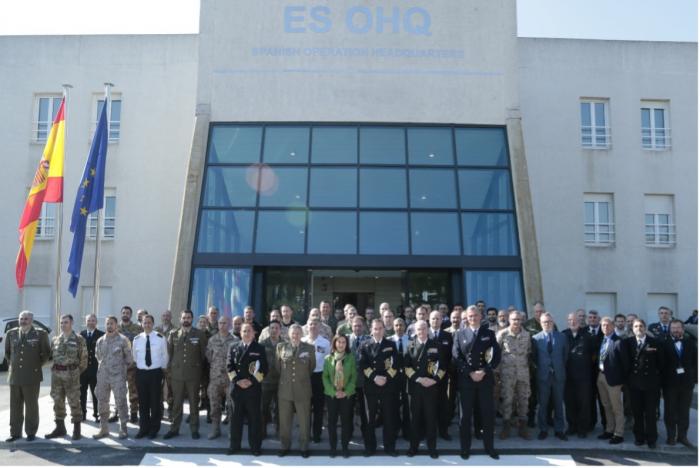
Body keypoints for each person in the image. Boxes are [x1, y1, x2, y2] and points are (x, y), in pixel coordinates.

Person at [452, 305, 501, 460]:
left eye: (475, 315)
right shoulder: (460, 334)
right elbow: (456, 357)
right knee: (465, 417)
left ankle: (489, 447)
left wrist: (484, 371)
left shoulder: (489, 334)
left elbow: (496, 356)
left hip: (484, 380)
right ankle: (465, 448)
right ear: (466, 318)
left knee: (487, 415)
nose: (472, 318)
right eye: (470, 316)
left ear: (480, 316)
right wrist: (470, 373)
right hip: (467, 381)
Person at [5, 310, 50, 442]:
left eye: (26, 319)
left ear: (31, 320)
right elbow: (8, 353)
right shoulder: (11, 333)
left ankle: (31, 432)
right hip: (15, 377)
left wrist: (35, 366)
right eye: (21, 318)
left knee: (31, 406)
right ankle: (15, 433)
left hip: (32, 376)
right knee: (15, 406)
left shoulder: (40, 334)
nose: (23, 321)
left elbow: (46, 354)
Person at [164, 309, 208, 440]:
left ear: (192, 319)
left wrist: (200, 373)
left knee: (194, 404)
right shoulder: (173, 334)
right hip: (177, 375)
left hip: (193, 375)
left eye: (188, 318)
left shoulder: (199, 334)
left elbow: (203, 355)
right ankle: (174, 429)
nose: (186, 320)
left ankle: (194, 429)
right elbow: (170, 354)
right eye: (184, 318)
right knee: (176, 404)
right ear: (180, 319)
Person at [359, 319, 400, 457]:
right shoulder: (365, 345)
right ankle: (370, 447)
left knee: (389, 418)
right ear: (371, 330)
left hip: (387, 386)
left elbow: (395, 364)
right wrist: (374, 378)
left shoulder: (391, 344)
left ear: (384, 329)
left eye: (380, 328)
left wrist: (386, 378)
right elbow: (363, 364)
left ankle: (390, 447)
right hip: (371, 387)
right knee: (370, 419)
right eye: (375, 328)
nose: (377, 331)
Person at [404, 320, 445, 458]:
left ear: (428, 329)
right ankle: (413, 447)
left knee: (430, 419)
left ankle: (432, 448)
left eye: (424, 328)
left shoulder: (436, 345)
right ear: (415, 331)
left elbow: (443, 367)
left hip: (431, 388)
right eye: (419, 329)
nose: (421, 331)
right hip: (415, 388)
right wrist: (419, 379)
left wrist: (434, 380)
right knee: (414, 419)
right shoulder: (410, 345)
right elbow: (406, 367)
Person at [45, 314, 88, 440]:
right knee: (57, 401)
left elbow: (84, 360)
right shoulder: (55, 339)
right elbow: (51, 357)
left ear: (72, 323)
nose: (63, 325)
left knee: (74, 401)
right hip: (57, 375)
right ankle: (60, 428)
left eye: (66, 322)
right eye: (61, 322)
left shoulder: (79, 339)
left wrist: (75, 372)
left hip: (71, 375)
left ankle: (77, 429)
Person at [227, 323, 267, 456]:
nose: (246, 333)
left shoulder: (259, 348)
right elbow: (229, 367)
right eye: (244, 331)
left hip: (253, 389)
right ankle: (234, 445)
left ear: (254, 333)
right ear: (240, 333)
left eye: (249, 331)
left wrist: (252, 381)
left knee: (254, 419)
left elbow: (264, 369)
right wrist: (237, 381)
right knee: (235, 419)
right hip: (237, 389)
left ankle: (255, 447)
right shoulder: (233, 347)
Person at [622, 319, 663, 448]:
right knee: (637, 413)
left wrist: (658, 381)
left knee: (651, 413)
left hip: (651, 384)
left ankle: (652, 439)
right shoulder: (627, 343)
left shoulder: (655, 342)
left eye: (641, 326)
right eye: (636, 326)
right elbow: (625, 363)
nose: (638, 328)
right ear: (632, 329)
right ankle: (639, 437)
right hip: (634, 385)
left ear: (645, 328)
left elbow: (661, 364)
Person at [277, 324, 315, 458]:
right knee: (284, 420)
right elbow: (278, 368)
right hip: (285, 390)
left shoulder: (309, 348)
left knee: (304, 420)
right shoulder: (281, 347)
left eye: (298, 333)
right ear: (289, 334)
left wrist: (301, 379)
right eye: (293, 333)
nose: (295, 335)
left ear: (302, 334)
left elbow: (311, 367)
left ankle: (304, 446)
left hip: (303, 389)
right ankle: (284, 445)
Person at [93, 316, 132, 440]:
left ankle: (123, 428)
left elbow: (129, 359)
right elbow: (98, 356)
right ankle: (103, 428)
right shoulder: (100, 341)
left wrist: (120, 370)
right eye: (107, 323)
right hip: (103, 376)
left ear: (116, 325)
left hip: (118, 376)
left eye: (112, 323)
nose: (109, 326)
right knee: (102, 402)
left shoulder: (123, 340)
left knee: (120, 402)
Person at [532, 312, 569, 440]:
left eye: (549, 322)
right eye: (544, 322)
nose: (547, 324)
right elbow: (534, 358)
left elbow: (565, 356)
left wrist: (557, 367)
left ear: (553, 322)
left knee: (559, 404)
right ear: (540, 324)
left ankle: (559, 430)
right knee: (543, 404)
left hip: (558, 375)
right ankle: (543, 429)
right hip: (543, 376)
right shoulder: (535, 339)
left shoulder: (562, 337)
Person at [132, 314, 168, 439]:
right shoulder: (136, 339)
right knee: (143, 402)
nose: (147, 325)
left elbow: (165, 356)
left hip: (155, 373)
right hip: (141, 373)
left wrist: (161, 371)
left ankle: (154, 429)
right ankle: (143, 428)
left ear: (153, 324)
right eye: (144, 322)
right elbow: (135, 357)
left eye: (149, 323)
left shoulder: (160, 338)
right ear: (141, 324)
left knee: (155, 402)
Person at [496, 311, 531, 440]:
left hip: (523, 374)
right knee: (507, 400)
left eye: (518, 319)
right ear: (509, 320)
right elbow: (496, 353)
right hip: (507, 374)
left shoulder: (527, 335)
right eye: (514, 319)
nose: (516, 322)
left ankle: (523, 427)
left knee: (523, 400)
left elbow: (528, 352)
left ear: (522, 320)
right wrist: (498, 372)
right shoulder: (502, 334)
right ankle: (506, 427)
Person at [663, 319, 697, 447]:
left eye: (678, 328)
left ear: (682, 329)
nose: (676, 330)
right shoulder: (663, 343)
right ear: (670, 329)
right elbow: (661, 365)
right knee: (670, 411)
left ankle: (683, 437)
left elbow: (695, 362)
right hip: (669, 384)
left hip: (686, 384)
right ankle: (671, 436)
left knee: (684, 412)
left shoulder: (690, 343)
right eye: (673, 328)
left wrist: (694, 379)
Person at [322, 334, 357, 458]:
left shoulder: (351, 358)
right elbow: (325, 377)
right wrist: (333, 392)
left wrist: (345, 392)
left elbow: (354, 377)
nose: (341, 344)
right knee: (332, 422)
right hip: (332, 395)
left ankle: (345, 448)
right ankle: (333, 448)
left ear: (346, 344)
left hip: (347, 395)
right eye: (338, 342)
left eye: (343, 342)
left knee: (346, 422)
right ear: (334, 343)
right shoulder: (328, 359)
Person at [562, 312, 594, 438]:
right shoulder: (563, 335)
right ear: (567, 321)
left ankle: (582, 428)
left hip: (584, 376)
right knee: (569, 403)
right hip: (567, 376)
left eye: (575, 320)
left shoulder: (588, 336)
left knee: (584, 403)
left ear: (580, 321)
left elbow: (594, 355)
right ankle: (572, 426)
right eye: (570, 320)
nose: (572, 322)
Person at [204, 316, 236, 439]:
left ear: (229, 324)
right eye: (220, 323)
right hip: (215, 378)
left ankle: (231, 430)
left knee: (231, 406)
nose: (222, 325)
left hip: (230, 379)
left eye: (225, 323)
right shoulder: (212, 340)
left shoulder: (234, 340)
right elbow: (208, 357)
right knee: (214, 406)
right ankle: (215, 429)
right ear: (217, 325)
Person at [595, 317, 625, 444]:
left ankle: (619, 433)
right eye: (603, 325)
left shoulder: (619, 341)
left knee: (616, 407)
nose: (605, 328)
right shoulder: (601, 340)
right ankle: (609, 429)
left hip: (613, 379)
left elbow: (625, 363)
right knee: (606, 405)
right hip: (601, 376)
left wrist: (621, 381)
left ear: (613, 326)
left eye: (607, 325)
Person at [302, 319, 331, 443]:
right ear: (307, 327)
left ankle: (317, 434)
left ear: (319, 327)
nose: (313, 327)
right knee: (305, 408)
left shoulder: (325, 342)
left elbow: (328, 361)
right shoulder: (302, 341)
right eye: (310, 324)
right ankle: (306, 434)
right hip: (304, 377)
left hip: (319, 376)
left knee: (318, 408)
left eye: (315, 325)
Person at [428, 310, 454, 440]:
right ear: (429, 319)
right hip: (427, 377)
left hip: (442, 377)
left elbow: (450, 357)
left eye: (438, 319)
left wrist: (444, 372)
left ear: (442, 320)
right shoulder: (424, 333)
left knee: (443, 404)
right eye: (433, 318)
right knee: (428, 405)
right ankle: (428, 431)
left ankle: (443, 431)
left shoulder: (448, 336)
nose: (435, 321)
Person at [117, 306, 143, 423]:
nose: (125, 314)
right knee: (119, 390)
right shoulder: (115, 327)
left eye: (127, 313)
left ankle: (133, 413)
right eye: (123, 312)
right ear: (121, 314)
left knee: (133, 390)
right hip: (118, 365)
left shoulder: (138, 328)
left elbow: (141, 346)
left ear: (131, 315)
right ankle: (118, 412)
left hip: (132, 365)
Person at [348, 316, 370, 440]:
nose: (357, 328)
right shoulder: (345, 340)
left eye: (359, 325)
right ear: (351, 326)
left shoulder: (369, 340)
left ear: (364, 327)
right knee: (348, 410)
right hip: (349, 382)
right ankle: (349, 434)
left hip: (364, 381)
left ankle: (366, 435)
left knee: (364, 411)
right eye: (355, 325)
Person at [260, 320, 282, 438]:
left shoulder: (284, 344)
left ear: (280, 330)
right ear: (269, 330)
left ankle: (279, 431)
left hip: (280, 382)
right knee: (263, 408)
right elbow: (257, 363)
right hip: (266, 381)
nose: (274, 330)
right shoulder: (262, 344)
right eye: (272, 328)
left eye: (276, 328)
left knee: (280, 409)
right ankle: (262, 431)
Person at [79, 313, 104, 422]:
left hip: (95, 369)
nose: (91, 322)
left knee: (96, 393)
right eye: (89, 320)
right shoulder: (81, 334)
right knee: (82, 393)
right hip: (83, 370)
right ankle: (82, 413)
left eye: (93, 320)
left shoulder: (101, 335)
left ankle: (96, 413)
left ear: (96, 322)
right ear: (86, 322)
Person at [390, 317, 411, 441]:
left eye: (401, 325)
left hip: (408, 377)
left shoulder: (411, 341)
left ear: (405, 326)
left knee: (408, 406)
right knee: (394, 406)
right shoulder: (388, 341)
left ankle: (407, 431)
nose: (399, 327)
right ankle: (395, 429)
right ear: (393, 327)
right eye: (396, 325)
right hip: (393, 379)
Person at [156, 309, 175, 420]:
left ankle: (171, 410)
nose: (165, 317)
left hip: (170, 364)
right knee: (158, 388)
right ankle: (160, 410)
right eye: (164, 315)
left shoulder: (176, 329)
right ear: (161, 317)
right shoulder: (156, 330)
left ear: (171, 317)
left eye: (168, 316)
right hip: (158, 363)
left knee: (170, 388)